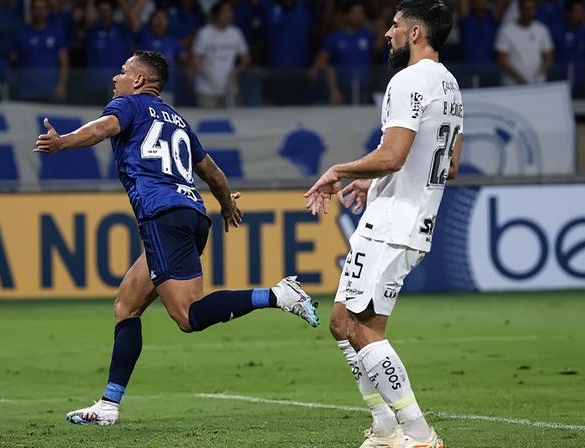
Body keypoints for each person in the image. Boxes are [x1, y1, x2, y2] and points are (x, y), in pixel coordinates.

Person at [33, 50, 319, 425]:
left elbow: (102, 129)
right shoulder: (178, 120)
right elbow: (213, 173)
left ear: (138, 81)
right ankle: (108, 405)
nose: (116, 77)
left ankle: (278, 295)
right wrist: (224, 206)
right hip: (191, 213)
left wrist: (62, 142)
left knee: (188, 316)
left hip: (162, 215)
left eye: (122, 71)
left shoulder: (127, 105)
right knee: (127, 306)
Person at [304, 1, 462, 447]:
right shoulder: (450, 86)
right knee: (343, 323)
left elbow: (393, 154)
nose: (386, 34)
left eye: (394, 26)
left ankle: (417, 433)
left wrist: (341, 172)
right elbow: (449, 165)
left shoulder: (408, 80)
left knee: (362, 330)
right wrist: (371, 187)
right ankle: (386, 427)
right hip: (407, 217)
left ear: (415, 33)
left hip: (394, 224)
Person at [312, 0, 375, 104]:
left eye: (361, 13)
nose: (358, 17)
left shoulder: (368, 35)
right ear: (347, 15)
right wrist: (333, 89)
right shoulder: (334, 37)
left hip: (364, 90)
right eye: (355, 13)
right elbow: (320, 62)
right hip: (340, 91)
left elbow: (380, 50)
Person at [192, 1, 250, 107]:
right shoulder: (204, 33)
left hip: (229, 89)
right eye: (225, 12)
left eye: (230, 12)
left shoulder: (236, 33)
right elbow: (195, 58)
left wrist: (235, 72)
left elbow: (245, 58)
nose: (228, 15)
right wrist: (207, 76)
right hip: (207, 88)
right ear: (216, 14)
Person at [9, 0, 68, 101]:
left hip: (51, 90)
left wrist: (61, 85)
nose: (39, 11)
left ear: (47, 11)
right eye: (36, 8)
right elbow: (12, 60)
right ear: (30, 11)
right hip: (27, 91)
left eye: (42, 8)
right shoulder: (21, 34)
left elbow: (64, 63)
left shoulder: (55, 32)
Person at [135, 8, 188, 104]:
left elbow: (185, 59)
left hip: (168, 90)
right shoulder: (143, 37)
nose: (159, 21)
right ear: (151, 21)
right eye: (157, 18)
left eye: (163, 18)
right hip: (144, 90)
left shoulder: (173, 41)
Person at [494, 0, 554, 84]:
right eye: (526, 8)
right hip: (512, 84)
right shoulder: (506, 30)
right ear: (519, 9)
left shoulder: (542, 29)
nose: (529, 12)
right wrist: (520, 78)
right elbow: (501, 59)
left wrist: (536, 77)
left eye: (532, 9)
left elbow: (548, 58)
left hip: (537, 84)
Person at [557, 0, 585, 95]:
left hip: (582, 80)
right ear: (568, 13)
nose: (579, 14)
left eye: (581, 12)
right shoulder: (558, 30)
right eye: (576, 11)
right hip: (561, 79)